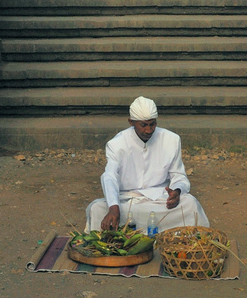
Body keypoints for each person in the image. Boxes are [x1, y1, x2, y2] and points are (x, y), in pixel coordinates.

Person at [86, 95, 209, 233]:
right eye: (143, 125)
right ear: (131, 122)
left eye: (152, 124)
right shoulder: (117, 144)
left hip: (160, 200)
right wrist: (114, 208)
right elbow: (110, 176)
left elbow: (179, 175)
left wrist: (177, 191)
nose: (149, 130)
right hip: (127, 200)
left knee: (190, 204)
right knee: (97, 209)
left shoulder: (171, 140)